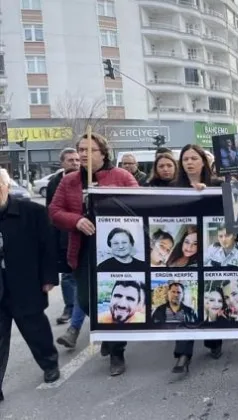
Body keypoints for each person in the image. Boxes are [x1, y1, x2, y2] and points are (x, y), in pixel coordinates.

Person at [49, 132, 138, 376]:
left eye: (90, 150)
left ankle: (117, 351)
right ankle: (107, 336)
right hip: (84, 250)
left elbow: (141, 204)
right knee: (88, 300)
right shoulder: (68, 181)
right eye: (81, 150)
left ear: (104, 153)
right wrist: (76, 220)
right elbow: (54, 211)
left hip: (116, 251)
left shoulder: (121, 176)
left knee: (113, 299)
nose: (84, 154)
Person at [0, 168, 61, 403]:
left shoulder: (32, 212)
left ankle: (49, 364)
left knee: (36, 330)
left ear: (6, 187)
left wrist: (49, 278)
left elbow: (48, 247)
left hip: (26, 284)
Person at [167, 144, 224, 370]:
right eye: (185, 159)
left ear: (204, 162)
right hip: (187, 250)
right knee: (186, 296)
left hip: (209, 249)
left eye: (194, 158)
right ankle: (183, 353)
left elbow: (228, 210)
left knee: (209, 294)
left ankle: (213, 341)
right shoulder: (172, 188)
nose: (189, 162)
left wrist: (206, 194)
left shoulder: (217, 185)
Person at [46, 147, 80, 325]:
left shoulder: (87, 180)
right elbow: (51, 212)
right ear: (62, 163)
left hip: (84, 234)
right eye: (70, 160)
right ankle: (70, 307)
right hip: (62, 236)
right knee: (67, 275)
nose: (75, 163)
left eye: (77, 160)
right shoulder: (54, 183)